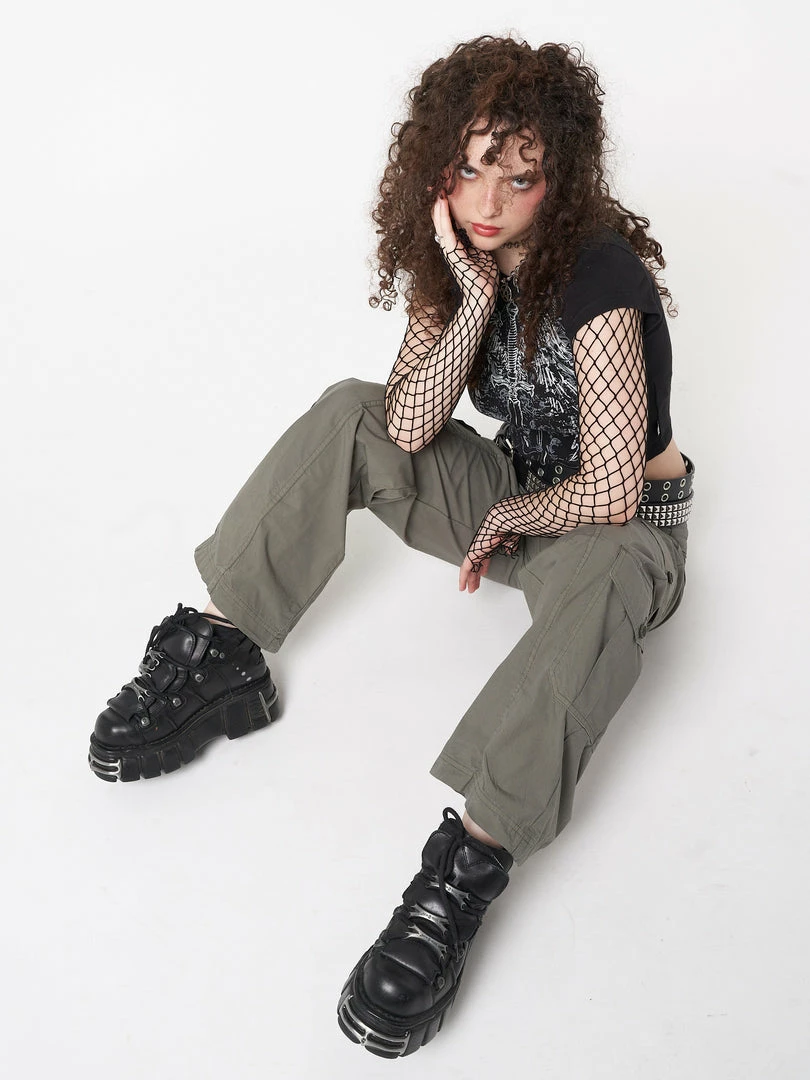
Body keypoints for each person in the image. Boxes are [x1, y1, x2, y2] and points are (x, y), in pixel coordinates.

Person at [87, 36, 693, 1059]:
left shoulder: (600, 276)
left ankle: (463, 872)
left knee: (598, 580)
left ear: (561, 180)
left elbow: (611, 484)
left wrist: (502, 522)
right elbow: (408, 427)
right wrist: (469, 295)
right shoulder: (456, 260)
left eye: (520, 176)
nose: (489, 200)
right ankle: (223, 649)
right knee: (351, 411)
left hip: (622, 534)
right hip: (519, 495)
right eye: (470, 168)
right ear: (437, 164)